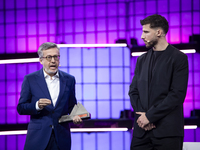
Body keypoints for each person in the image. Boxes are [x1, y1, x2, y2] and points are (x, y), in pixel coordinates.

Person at [129, 14, 188, 150]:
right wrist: (143, 117)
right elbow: (133, 91)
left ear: (159, 32)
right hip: (141, 131)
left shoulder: (179, 58)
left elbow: (177, 95)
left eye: (146, 32)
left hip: (167, 133)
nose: (142, 36)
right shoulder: (141, 60)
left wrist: (150, 117)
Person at [17, 42, 82, 150]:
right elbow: (21, 108)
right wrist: (37, 105)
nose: (53, 61)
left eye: (56, 57)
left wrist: (76, 116)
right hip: (37, 138)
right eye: (49, 57)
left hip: (61, 138)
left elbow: (71, 106)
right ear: (41, 60)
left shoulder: (69, 79)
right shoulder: (30, 79)